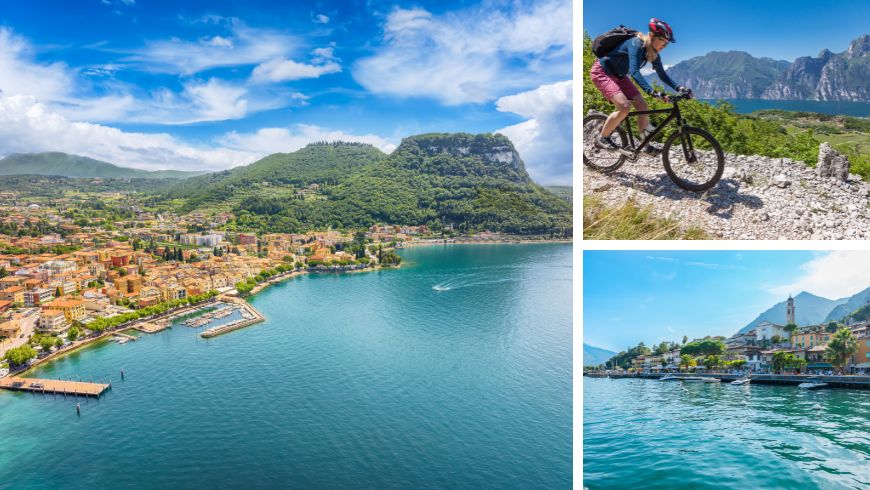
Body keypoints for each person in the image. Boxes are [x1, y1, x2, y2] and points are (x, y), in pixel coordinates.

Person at [590, 18, 690, 152]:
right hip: (602, 72)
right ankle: (603, 137)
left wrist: (680, 88)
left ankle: (645, 145)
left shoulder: (653, 53)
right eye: (662, 41)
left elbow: (662, 75)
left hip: (620, 76)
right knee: (624, 107)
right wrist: (651, 91)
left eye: (667, 43)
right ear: (652, 36)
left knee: (643, 106)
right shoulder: (636, 43)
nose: (664, 46)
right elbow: (634, 72)